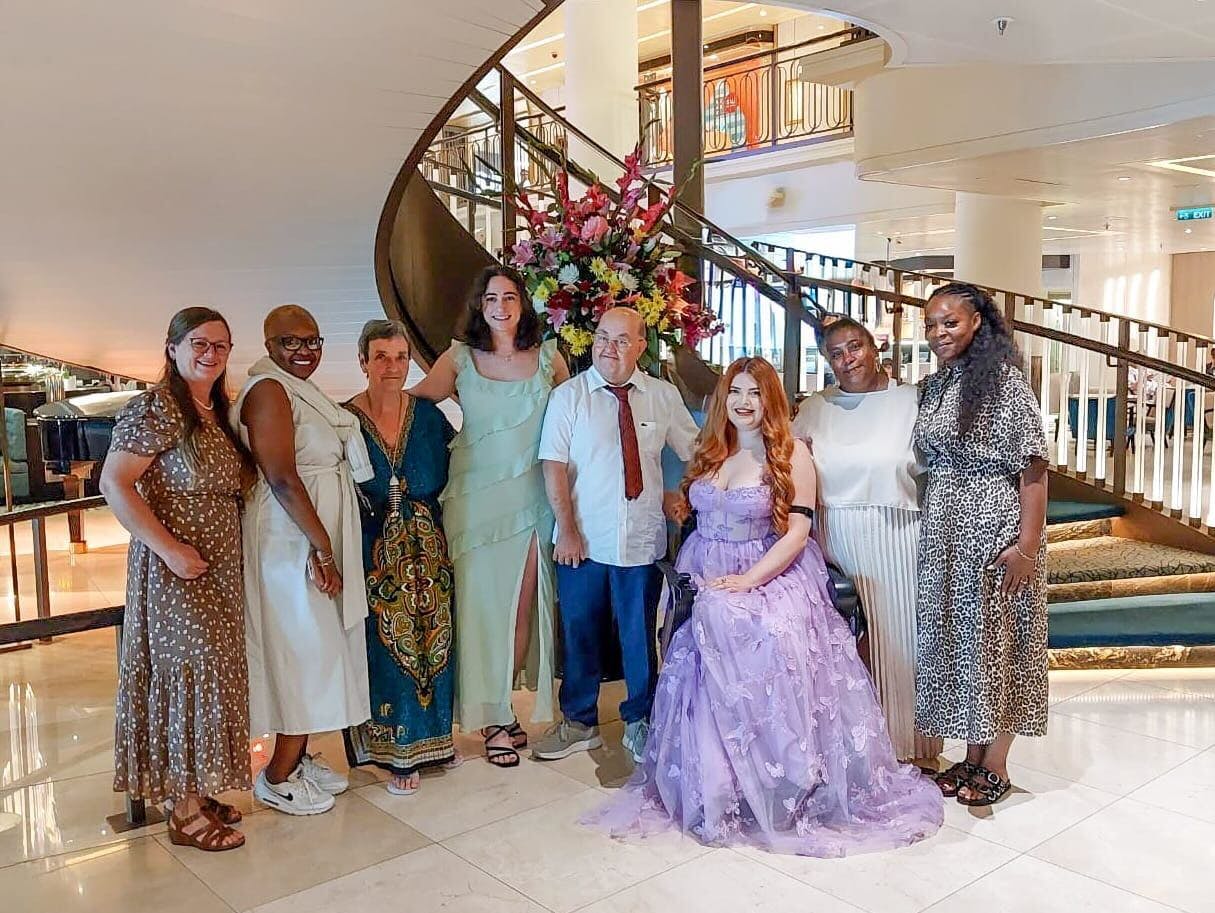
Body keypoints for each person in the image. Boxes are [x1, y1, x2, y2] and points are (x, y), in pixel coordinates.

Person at [586, 357, 942, 856]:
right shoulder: (712, 450)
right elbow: (689, 508)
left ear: (771, 400)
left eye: (755, 393)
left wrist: (748, 581)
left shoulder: (792, 453)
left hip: (770, 568)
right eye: (736, 392)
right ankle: (718, 781)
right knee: (703, 631)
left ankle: (779, 780)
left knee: (759, 631)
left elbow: (797, 531)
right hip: (703, 568)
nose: (744, 403)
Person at [101, 307, 253, 852]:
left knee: (213, 672)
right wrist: (168, 550)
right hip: (174, 572)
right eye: (198, 343)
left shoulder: (214, 412)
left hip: (216, 570)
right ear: (172, 348)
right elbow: (115, 483)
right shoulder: (157, 407)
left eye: (220, 346)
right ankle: (182, 811)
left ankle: (195, 788)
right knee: (186, 676)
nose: (210, 354)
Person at [410, 266, 569, 768]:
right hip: (475, 497)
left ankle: (502, 704)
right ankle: (491, 718)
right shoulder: (458, 357)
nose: (501, 305)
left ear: (524, 303)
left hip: (532, 497)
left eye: (510, 296)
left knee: (522, 609)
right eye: (491, 297)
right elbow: (413, 404)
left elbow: (574, 419)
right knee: (480, 612)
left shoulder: (549, 357)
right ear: (480, 305)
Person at [534, 307, 699, 764]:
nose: (609, 348)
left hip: (642, 539)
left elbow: (697, 453)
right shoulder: (569, 397)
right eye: (603, 338)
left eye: (622, 339)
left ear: (641, 346)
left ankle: (640, 718)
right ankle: (579, 721)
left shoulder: (662, 396)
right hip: (582, 539)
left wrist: (677, 491)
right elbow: (554, 467)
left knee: (637, 633)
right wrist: (566, 530)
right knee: (580, 630)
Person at [915, 282, 1050, 807]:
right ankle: (971, 756)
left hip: (997, 530)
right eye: (930, 325)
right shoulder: (937, 384)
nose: (938, 333)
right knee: (966, 649)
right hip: (947, 528)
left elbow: (1034, 468)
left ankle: (996, 761)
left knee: (1001, 646)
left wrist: (1028, 546)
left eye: (949, 322)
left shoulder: (1005, 384)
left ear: (977, 323)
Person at [237, 304, 373, 816]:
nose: (304, 351)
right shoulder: (268, 389)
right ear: (269, 344)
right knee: (302, 652)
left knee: (320, 649)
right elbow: (281, 477)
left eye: (312, 340)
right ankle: (276, 775)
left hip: (311, 529)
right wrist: (322, 547)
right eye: (291, 342)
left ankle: (296, 760)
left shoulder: (300, 389)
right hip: (289, 540)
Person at [793, 317, 942, 765]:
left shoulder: (911, 401)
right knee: (843, 648)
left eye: (854, 347)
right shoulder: (815, 408)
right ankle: (856, 749)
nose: (847, 359)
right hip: (833, 533)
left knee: (900, 644)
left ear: (874, 348)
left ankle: (911, 748)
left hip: (897, 532)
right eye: (835, 353)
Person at [343, 320, 459, 793]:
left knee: (435, 643)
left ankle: (435, 742)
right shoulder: (344, 419)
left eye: (399, 357)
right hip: (373, 553)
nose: (392, 366)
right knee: (384, 648)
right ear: (363, 362)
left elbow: (456, 473)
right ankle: (394, 752)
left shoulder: (429, 416)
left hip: (429, 549)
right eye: (380, 357)